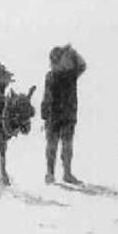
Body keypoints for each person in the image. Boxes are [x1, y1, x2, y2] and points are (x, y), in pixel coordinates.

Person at [41, 44, 86, 184]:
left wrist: (71, 51)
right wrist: (44, 115)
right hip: (56, 116)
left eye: (55, 61)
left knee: (65, 146)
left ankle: (64, 173)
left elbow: (82, 65)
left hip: (66, 116)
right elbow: (46, 98)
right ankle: (51, 173)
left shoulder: (70, 75)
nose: (53, 64)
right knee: (52, 146)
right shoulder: (55, 76)